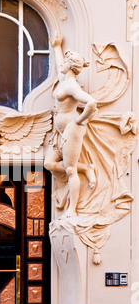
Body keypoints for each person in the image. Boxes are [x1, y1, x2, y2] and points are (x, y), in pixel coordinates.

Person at [44, 34, 97, 219]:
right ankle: (87, 168)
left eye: (66, 61)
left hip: (71, 129)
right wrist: (57, 46)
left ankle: (72, 210)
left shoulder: (72, 86)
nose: (62, 64)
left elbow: (91, 103)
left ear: (71, 66)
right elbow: (60, 64)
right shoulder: (63, 78)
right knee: (49, 163)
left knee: (70, 169)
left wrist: (79, 121)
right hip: (59, 132)